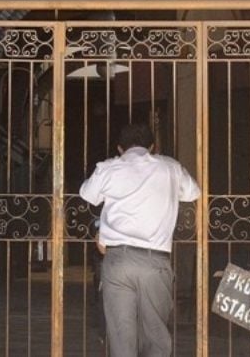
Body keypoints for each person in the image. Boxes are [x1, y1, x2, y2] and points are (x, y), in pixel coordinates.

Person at [79, 123, 200, 357]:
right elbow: (193, 192)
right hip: (155, 261)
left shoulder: (109, 168)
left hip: (118, 260)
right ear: (153, 147)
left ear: (120, 148)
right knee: (156, 335)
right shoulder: (170, 167)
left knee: (121, 336)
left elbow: (87, 194)